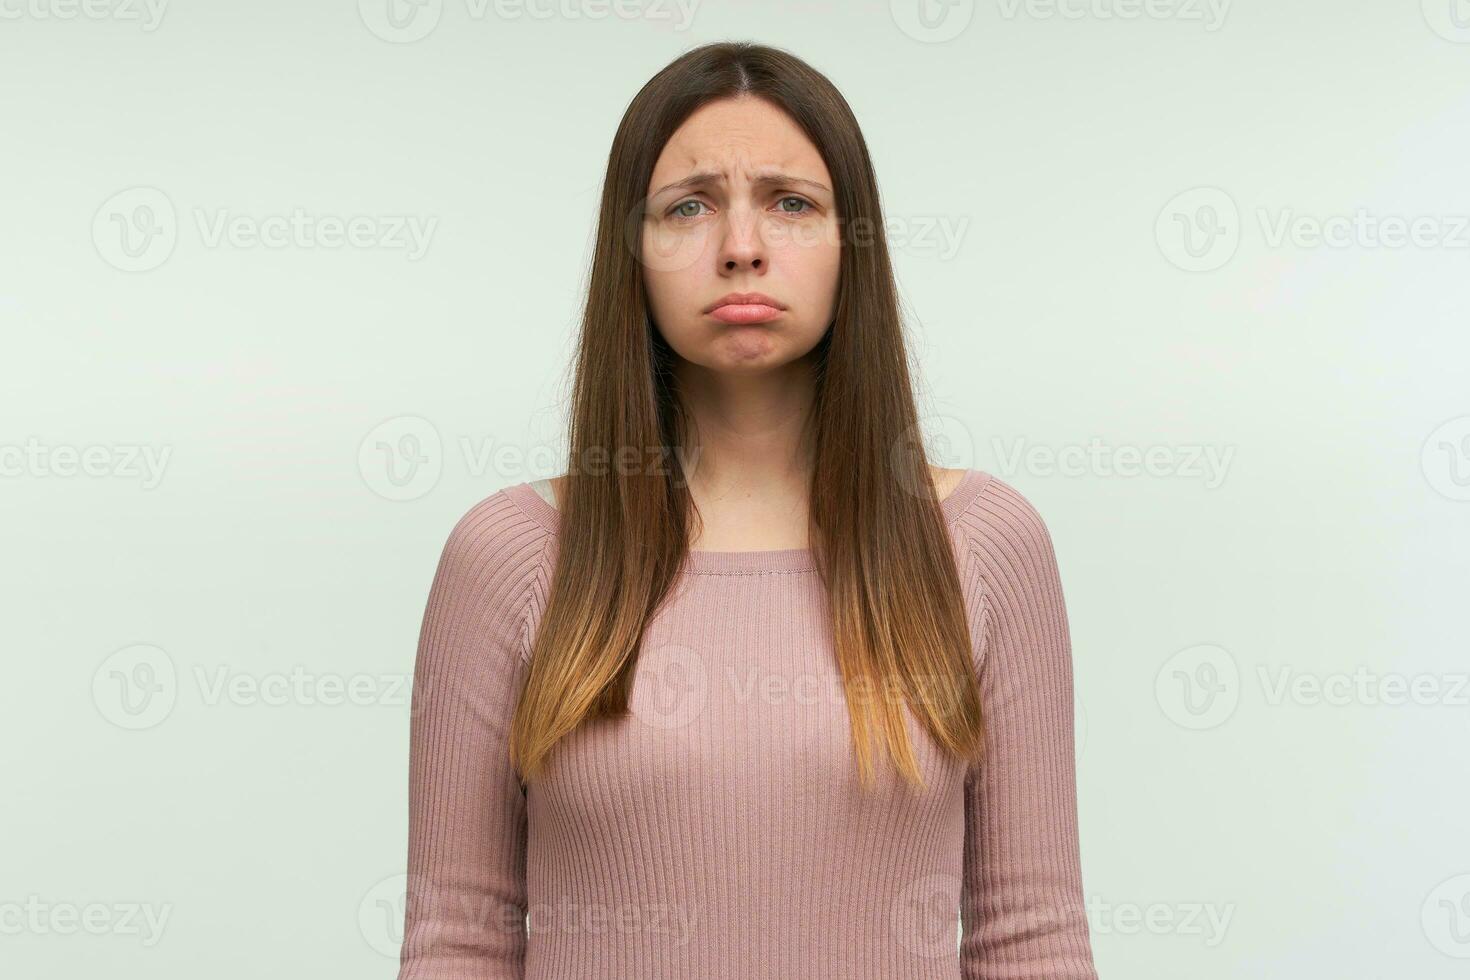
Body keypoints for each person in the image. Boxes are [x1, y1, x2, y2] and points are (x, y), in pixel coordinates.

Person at [396, 40, 1099, 980]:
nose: (741, 246)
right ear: (631, 252)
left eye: (791, 203)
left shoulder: (982, 545)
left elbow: (1032, 938)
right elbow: (459, 939)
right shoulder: (513, 556)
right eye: (688, 206)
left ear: (855, 245)